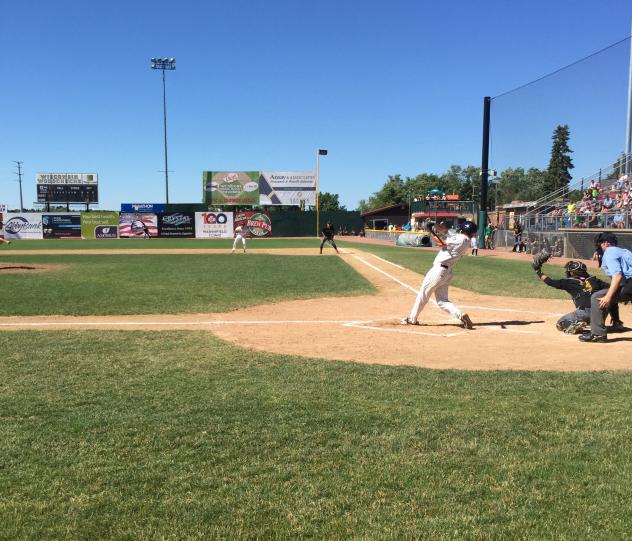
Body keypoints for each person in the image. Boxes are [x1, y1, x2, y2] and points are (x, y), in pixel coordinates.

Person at [401, 221, 478, 329]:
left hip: (438, 271)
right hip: (447, 273)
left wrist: (431, 232)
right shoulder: (466, 240)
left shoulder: (460, 238)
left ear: (463, 229)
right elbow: (446, 231)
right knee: (442, 301)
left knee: (423, 295)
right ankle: (460, 314)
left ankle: (412, 319)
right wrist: (434, 225)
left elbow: (441, 243)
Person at [533, 258, 621, 334]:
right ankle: (617, 323)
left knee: (561, 323)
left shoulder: (569, 282)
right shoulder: (595, 280)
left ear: (572, 273)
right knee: (610, 296)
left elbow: (550, 281)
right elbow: (613, 289)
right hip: (601, 313)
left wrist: (538, 271)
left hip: (585, 313)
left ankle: (577, 325)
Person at [580, 232, 632, 342]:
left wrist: (608, 297)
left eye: (600, 243)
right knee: (611, 293)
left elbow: (617, 276)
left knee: (597, 297)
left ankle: (598, 334)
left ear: (606, 243)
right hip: (629, 284)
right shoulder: (623, 251)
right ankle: (616, 322)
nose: (599, 246)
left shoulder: (609, 252)